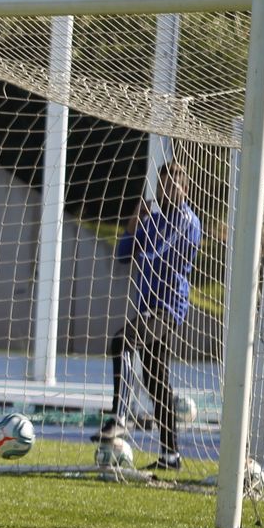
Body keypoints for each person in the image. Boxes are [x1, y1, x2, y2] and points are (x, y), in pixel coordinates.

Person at [93, 160, 202, 471]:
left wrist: (142, 241)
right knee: (156, 381)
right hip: (147, 306)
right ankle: (171, 456)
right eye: (162, 185)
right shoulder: (151, 220)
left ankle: (119, 417)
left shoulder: (187, 220)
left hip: (169, 307)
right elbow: (123, 256)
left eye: (173, 185)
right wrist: (132, 226)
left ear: (185, 190)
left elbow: (160, 253)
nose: (166, 190)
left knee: (122, 341)